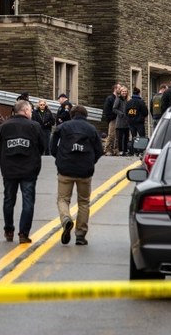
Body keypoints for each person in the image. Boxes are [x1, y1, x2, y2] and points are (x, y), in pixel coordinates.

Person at [0, 100, 47, 244]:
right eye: (30, 110)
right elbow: (43, 146)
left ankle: (8, 230)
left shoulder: (4, 127)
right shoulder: (34, 126)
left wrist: (5, 160)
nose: (31, 113)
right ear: (24, 111)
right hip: (29, 170)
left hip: (9, 170)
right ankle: (24, 233)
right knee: (28, 201)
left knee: (9, 200)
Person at [50, 105, 103, 245]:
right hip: (85, 170)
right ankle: (80, 235)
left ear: (72, 115)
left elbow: (52, 145)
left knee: (63, 199)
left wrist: (59, 158)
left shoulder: (63, 127)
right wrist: (91, 161)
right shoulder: (91, 129)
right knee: (84, 202)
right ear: (85, 115)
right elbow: (99, 150)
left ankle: (66, 219)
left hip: (65, 168)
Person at [126, 87, 149, 154]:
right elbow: (145, 112)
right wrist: (141, 117)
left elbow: (126, 112)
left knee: (134, 136)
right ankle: (141, 150)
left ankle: (133, 151)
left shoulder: (129, 102)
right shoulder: (141, 102)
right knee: (141, 136)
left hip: (131, 122)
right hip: (139, 122)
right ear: (139, 93)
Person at [101, 84, 120, 155]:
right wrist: (111, 118)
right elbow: (107, 109)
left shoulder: (119, 98)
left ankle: (115, 149)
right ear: (115, 89)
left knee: (117, 135)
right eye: (119, 88)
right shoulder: (110, 98)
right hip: (113, 119)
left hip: (119, 119)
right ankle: (107, 149)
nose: (120, 89)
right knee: (111, 135)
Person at [112, 86, 130, 156]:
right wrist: (121, 114)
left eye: (125, 91)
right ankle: (120, 150)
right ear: (121, 92)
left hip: (127, 121)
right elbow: (114, 109)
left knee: (126, 137)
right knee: (120, 137)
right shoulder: (118, 99)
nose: (124, 93)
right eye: (123, 91)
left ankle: (125, 150)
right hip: (120, 121)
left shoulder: (128, 99)